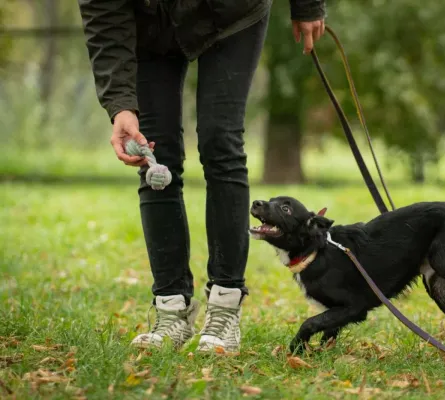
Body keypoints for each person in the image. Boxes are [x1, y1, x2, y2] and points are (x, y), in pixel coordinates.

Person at [77, 0, 326, 352]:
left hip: (231, 14)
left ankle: (225, 308)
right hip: (150, 26)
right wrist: (121, 105)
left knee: (220, 142)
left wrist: (306, 4)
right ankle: (171, 311)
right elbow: (103, 18)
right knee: (153, 158)